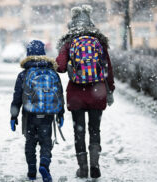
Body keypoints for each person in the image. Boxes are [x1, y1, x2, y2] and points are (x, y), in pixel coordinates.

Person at [55, 5, 115, 179]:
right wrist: (110, 89)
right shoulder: (99, 42)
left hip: (76, 95)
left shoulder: (69, 42)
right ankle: (95, 165)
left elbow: (59, 66)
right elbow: (108, 69)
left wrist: (67, 63)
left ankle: (83, 168)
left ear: (72, 23)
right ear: (91, 22)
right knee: (95, 130)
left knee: (79, 132)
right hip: (97, 92)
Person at [10, 40, 64, 182]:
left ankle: (32, 171)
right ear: (43, 53)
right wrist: (60, 113)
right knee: (46, 142)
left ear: (28, 54)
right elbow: (59, 93)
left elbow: (17, 97)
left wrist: (13, 116)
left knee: (30, 143)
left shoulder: (24, 74)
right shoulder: (52, 72)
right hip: (47, 114)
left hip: (29, 115)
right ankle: (44, 164)